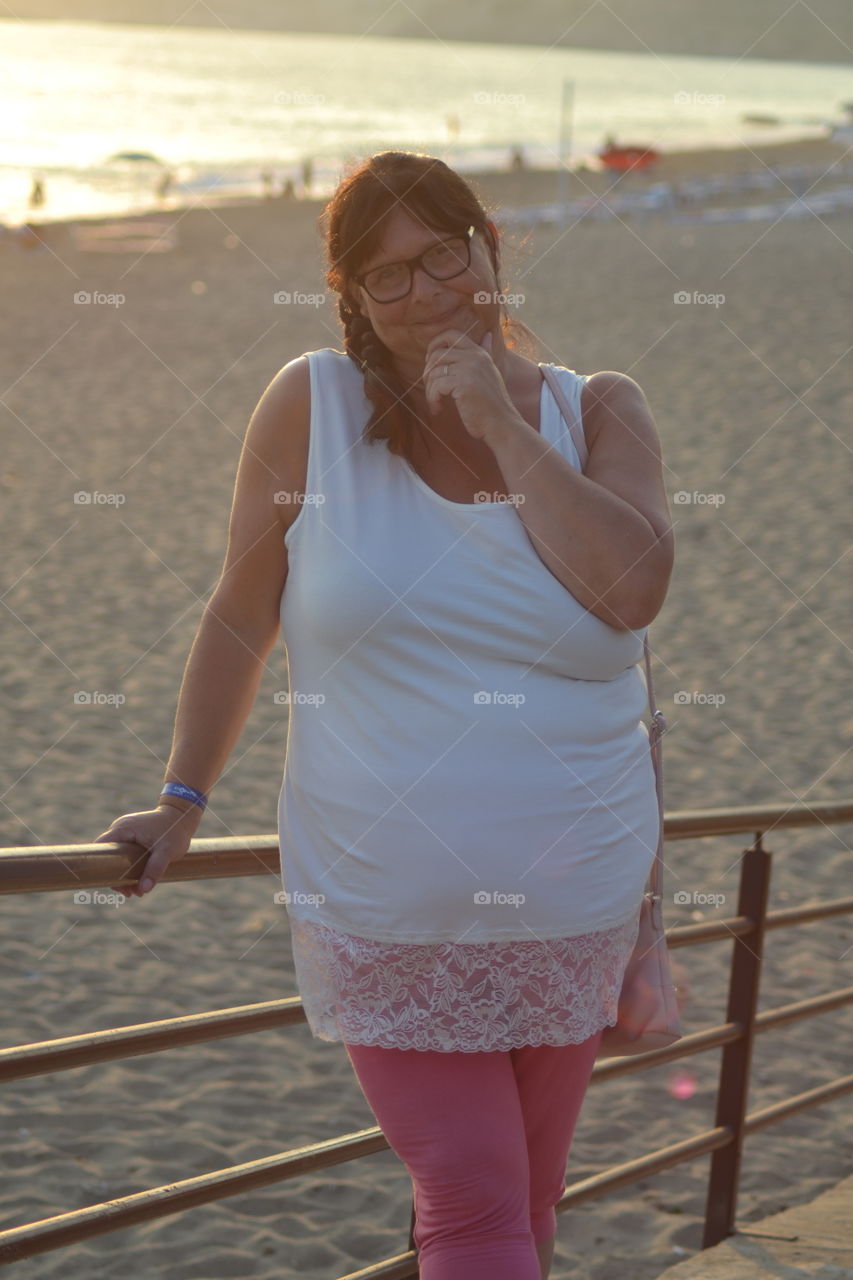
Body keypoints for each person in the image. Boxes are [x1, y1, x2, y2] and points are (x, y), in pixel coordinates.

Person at [95, 150, 674, 1279]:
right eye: (383, 277)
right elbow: (237, 614)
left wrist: (503, 430)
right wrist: (180, 795)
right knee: (470, 1204)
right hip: (387, 905)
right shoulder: (311, 403)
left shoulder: (594, 407)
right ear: (350, 298)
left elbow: (632, 588)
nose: (421, 295)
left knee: (526, 1203)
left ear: (489, 249)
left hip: (576, 900)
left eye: (440, 256)